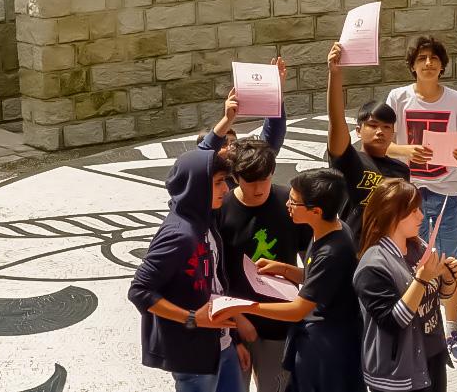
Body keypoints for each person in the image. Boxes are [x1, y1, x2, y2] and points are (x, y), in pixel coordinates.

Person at [383, 36, 457, 364]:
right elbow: (379, 143)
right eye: (422, 58)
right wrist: (406, 151)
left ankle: (451, 331)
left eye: (434, 58)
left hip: (445, 190)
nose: (428, 63)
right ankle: (407, 324)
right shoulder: (398, 98)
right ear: (412, 64)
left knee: (449, 262)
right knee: (404, 261)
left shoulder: (456, 100)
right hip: (407, 192)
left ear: (442, 64)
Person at [231, 169, 363, 392]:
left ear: (316, 211)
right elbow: (321, 279)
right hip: (322, 338)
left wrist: (247, 307)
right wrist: (283, 269)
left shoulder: (332, 250)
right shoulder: (328, 229)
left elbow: (298, 309)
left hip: (328, 348)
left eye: (293, 202)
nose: (287, 205)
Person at [130, 148, 243, 392]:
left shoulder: (204, 219)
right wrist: (191, 318)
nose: (226, 189)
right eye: (219, 183)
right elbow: (139, 290)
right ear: (198, 188)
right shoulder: (180, 235)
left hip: (221, 344)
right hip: (193, 355)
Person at [217, 137, 310, 392]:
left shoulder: (289, 205)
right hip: (235, 321)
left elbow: (311, 262)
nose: (259, 188)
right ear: (235, 177)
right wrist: (237, 318)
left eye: (265, 178)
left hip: (280, 320)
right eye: (251, 181)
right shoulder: (221, 211)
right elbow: (214, 275)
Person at [353, 179, 457, 392]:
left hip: (432, 356)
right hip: (400, 372)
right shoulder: (373, 265)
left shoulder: (418, 246)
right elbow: (394, 321)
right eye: (413, 211)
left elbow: (438, 297)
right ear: (392, 215)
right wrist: (421, 279)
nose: (421, 216)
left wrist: (448, 278)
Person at [326, 44, 410, 231]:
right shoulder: (348, 160)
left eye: (386, 127)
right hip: (355, 252)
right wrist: (335, 74)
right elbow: (336, 119)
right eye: (372, 125)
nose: (380, 131)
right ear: (358, 130)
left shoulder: (402, 171)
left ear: (393, 133)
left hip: (389, 252)